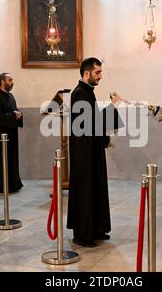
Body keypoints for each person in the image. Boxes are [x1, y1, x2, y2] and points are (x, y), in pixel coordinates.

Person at [67, 58, 123, 247]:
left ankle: (97, 229)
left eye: (100, 72)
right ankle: (83, 234)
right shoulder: (80, 93)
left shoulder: (87, 92)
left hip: (91, 150)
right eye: (97, 72)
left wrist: (104, 139)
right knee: (86, 190)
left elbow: (94, 121)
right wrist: (112, 107)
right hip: (83, 155)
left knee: (96, 187)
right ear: (86, 74)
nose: (100, 76)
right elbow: (89, 123)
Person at [0, 73, 24, 193]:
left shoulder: (11, 96)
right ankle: (2, 186)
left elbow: (14, 110)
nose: (12, 82)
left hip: (12, 134)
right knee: (2, 161)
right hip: (0, 136)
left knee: (12, 159)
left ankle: (14, 184)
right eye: (10, 80)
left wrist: (19, 114)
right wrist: (14, 115)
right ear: (2, 82)